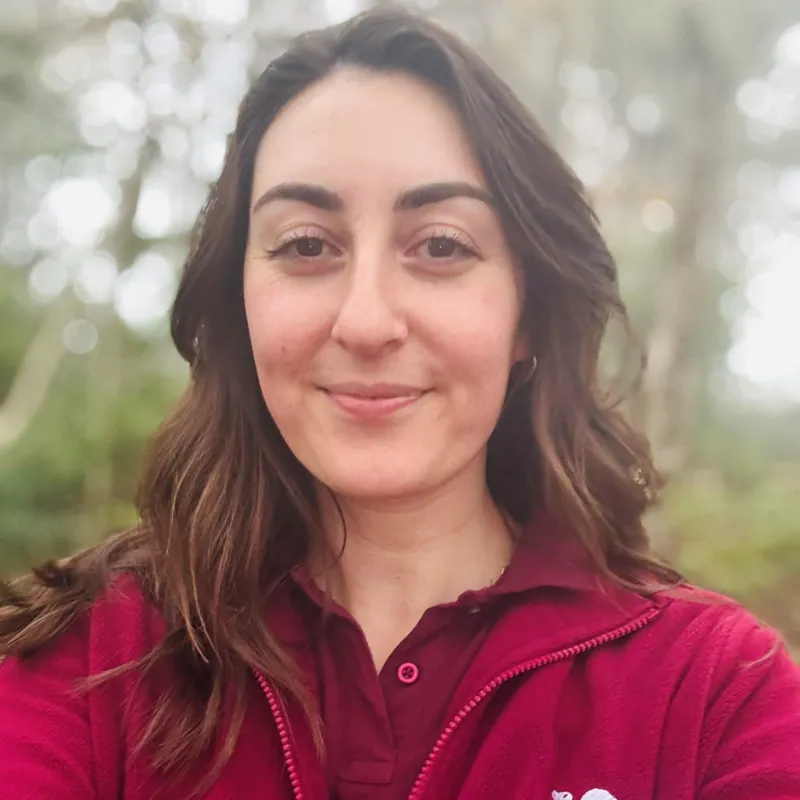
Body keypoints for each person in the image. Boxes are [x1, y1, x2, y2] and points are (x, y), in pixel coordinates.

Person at [1, 7, 798, 800]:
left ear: (529, 314)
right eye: (307, 245)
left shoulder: (718, 694)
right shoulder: (86, 656)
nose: (367, 322)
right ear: (240, 301)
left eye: (442, 245)